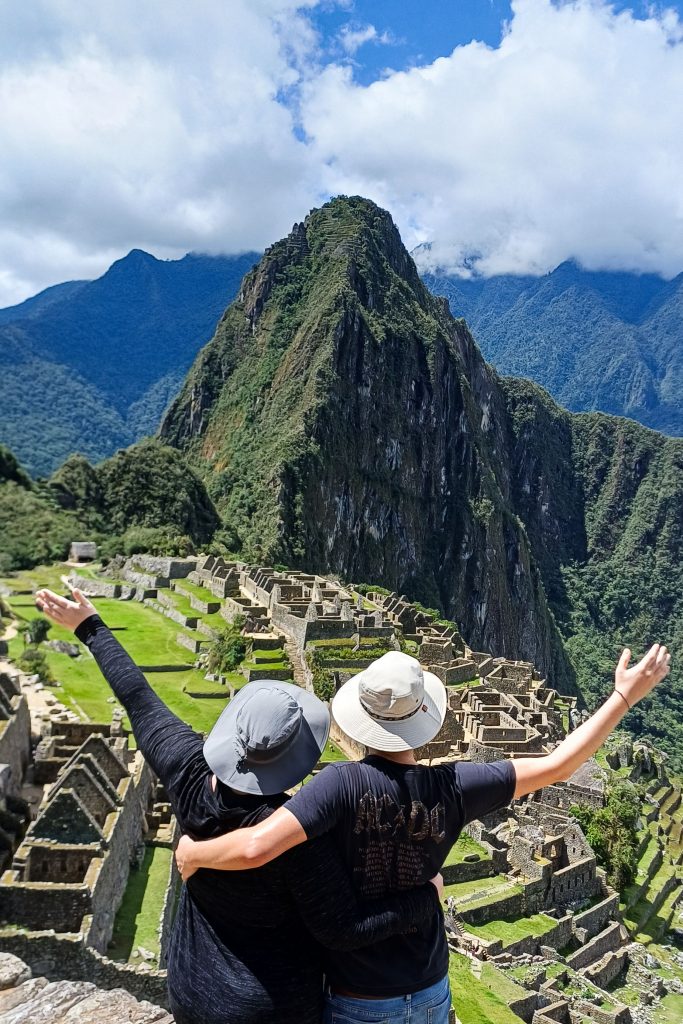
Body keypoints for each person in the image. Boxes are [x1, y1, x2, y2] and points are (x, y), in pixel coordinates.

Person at [175, 644, 671, 1024]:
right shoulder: (454, 786)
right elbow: (559, 765)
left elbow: (257, 845)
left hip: (360, 997)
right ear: (424, 718)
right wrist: (623, 696)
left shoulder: (336, 786)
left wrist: (195, 854)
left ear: (360, 717)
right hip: (431, 987)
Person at [35, 587, 444, 1024]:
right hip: (273, 1009)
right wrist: (427, 896)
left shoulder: (186, 773)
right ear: (299, 759)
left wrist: (90, 626)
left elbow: (138, 698)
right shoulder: (296, 836)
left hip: (193, 992)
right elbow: (345, 929)